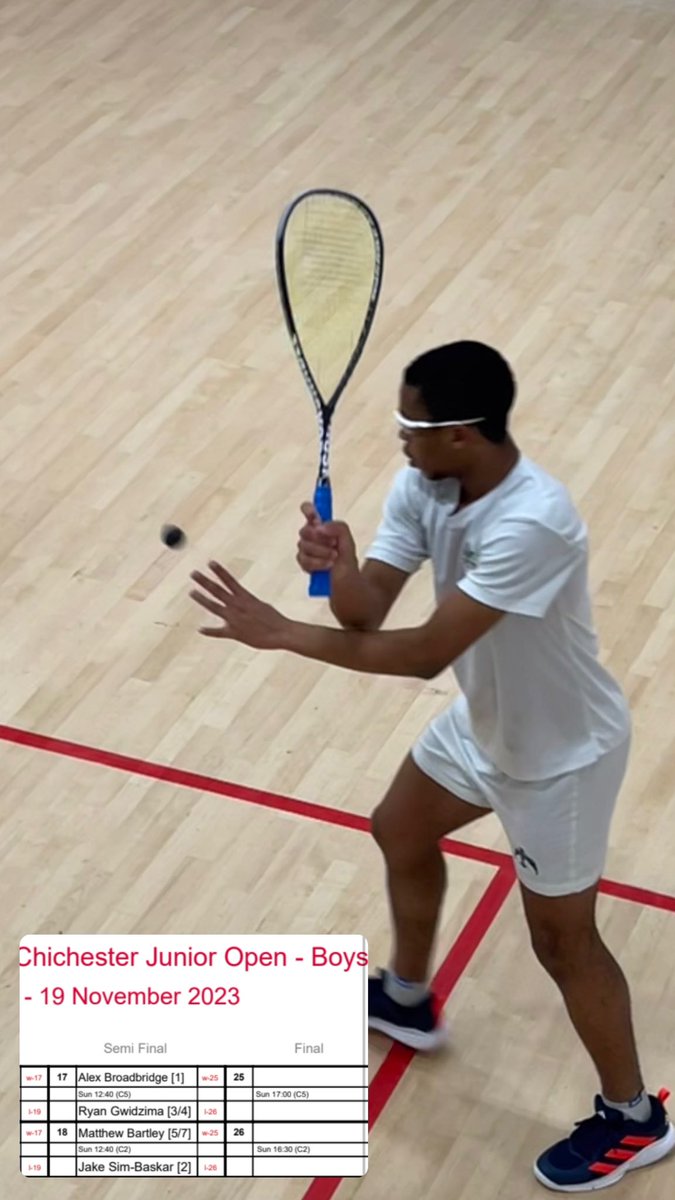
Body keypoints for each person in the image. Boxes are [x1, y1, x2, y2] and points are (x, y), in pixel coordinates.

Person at [189, 341, 674, 1191]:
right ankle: (407, 996)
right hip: (484, 721)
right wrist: (337, 569)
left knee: (561, 943)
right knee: (398, 827)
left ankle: (634, 1118)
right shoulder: (425, 484)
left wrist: (281, 632)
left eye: (412, 427)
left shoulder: (534, 522)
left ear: (462, 435)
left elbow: (418, 654)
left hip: (559, 757)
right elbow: (369, 608)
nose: (400, 441)